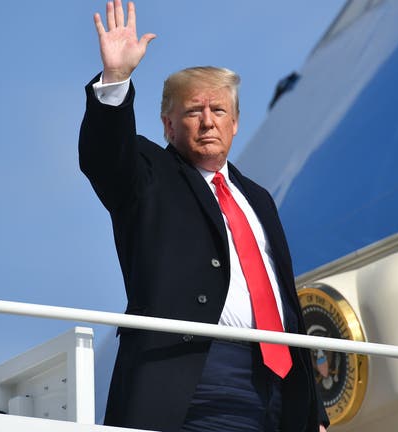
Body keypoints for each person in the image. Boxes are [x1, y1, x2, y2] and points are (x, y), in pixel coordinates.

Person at [79, 1, 328, 431]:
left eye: (219, 112)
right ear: (168, 126)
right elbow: (105, 157)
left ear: (235, 124)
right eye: (193, 111)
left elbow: (284, 300)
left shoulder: (259, 199)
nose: (207, 122)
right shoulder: (149, 173)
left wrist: (314, 414)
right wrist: (117, 78)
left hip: (280, 388)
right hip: (193, 375)